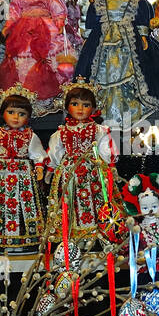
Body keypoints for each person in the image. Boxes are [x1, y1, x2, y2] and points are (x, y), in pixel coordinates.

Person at [75, 0, 159, 122]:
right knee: (98, 72)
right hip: (102, 43)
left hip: (130, 43)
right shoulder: (100, 0)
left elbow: (143, 17)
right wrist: (87, 43)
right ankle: (101, 107)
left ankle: (131, 105)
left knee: (135, 74)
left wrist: (142, 35)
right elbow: (93, 22)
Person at [0, 0, 76, 104]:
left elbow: (59, 12)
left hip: (48, 32)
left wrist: (60, 22)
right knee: (23, 60)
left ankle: (48, 95)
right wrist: (8, 26)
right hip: (22, 33)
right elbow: (13, 12)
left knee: (47, 60)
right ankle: (24, 92)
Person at [42, 80, 117, 241]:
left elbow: (106, 149)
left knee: (96, 199)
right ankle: (72, 236)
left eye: (86, 104)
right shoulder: (62, 132)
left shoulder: (98, 130)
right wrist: (50, 170)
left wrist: (110, 168)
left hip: (93, 170)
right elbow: (55, 151)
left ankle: (98, 234)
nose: (80, 109)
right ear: (67, 107)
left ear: (94, 108)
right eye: (75, 104)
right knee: (70, 200)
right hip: (69, 171)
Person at [0, 85, 45, 250]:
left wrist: (39, 167)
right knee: (2, 204)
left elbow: (37, 153)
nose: (15, 118)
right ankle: (1, 238)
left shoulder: (30, 136)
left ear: (28, 117)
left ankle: (26, 238)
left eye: (21, 114)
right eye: (11, 112)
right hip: (1, 176)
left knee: (25, 205)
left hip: (24, 177)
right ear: (2, 113)